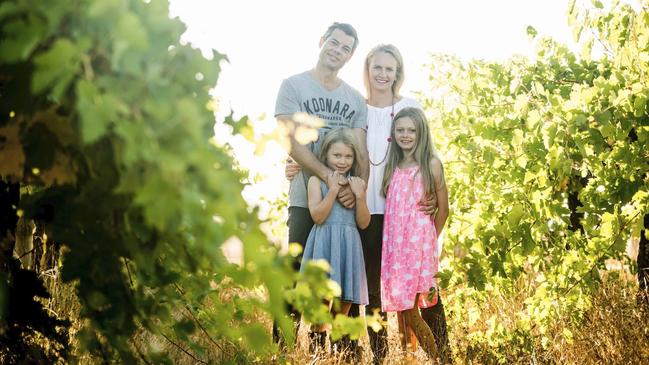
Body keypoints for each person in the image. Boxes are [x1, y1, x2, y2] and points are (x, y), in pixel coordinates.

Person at [288, 44, 451, 363]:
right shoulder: (354, 107)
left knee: (421, 287)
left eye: (390, 68)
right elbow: (331, 144)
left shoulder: (409, 106)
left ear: (398, 73)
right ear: (367, 69)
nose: (383, 74)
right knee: (367, 286)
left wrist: (431, 191)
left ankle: (443, 350)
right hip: (360, 207)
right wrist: (294, 163)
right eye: (377, 67)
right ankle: (375, 353)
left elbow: (425, 148)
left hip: (400, 212)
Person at [274, 22, 369, 346]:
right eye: (334, 42)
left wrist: (356, 189)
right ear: (322, 41)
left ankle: (341, 348)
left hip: (344, 201)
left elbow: (361, 151)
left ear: (350, 55)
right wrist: (326, 176)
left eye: (345, 47)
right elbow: (290, 141)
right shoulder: (293, 86)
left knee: (342, 274)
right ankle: (282, 347)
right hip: (307, 196)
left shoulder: (355, 99)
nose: (337, 50)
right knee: (297, 268)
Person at [380, 107, 449, 363]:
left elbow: (444, 210)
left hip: (419, 249)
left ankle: (440, 360)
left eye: (411, 130)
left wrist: (429, 240)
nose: (406, 135)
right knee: (402, 310)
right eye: (400, 130)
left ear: (421, 132)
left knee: (412, 312)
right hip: (396, 252)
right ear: (393, 133)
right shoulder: (393, 166)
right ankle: (408, 358)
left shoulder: (430, 163)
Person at [299, 128, 370, 354]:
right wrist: (332, 190)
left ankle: (341, 352)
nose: (342, 161)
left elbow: (363, 223)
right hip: (324, 245)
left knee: (344, 304)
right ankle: (317, 352)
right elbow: (318, 216)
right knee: (321, 304)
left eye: (348, 156)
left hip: (348, 245)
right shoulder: (314, 182)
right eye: (337, 155)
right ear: (326, 155)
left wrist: (360, 196)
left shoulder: (357, 183)